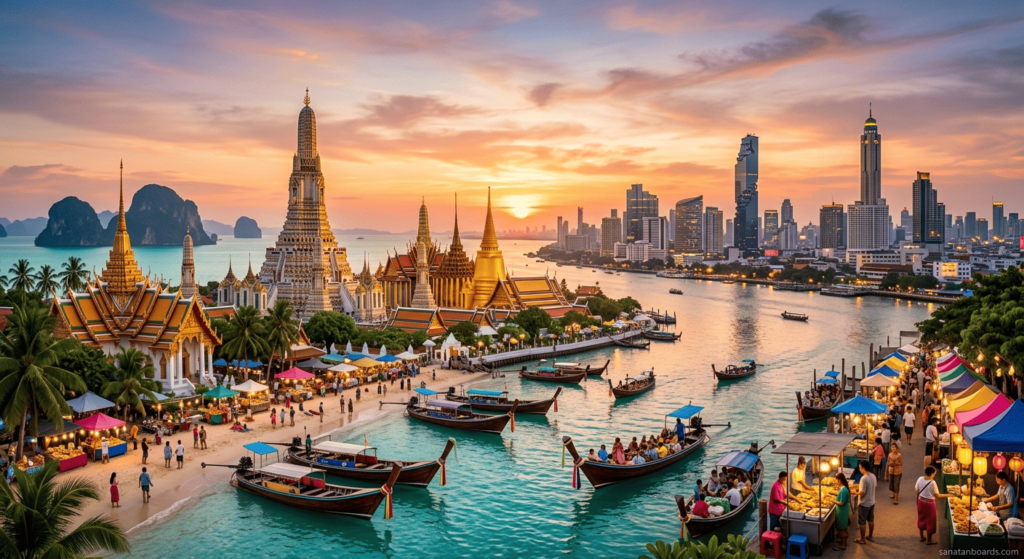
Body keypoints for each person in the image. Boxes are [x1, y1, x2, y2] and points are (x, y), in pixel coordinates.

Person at [915, 466, 952, 544]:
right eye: (934, 473)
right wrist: (949, 495)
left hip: (921, 502)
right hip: (929, 504)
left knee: (921, 518)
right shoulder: (932, 482)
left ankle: (921, 537)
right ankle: (929, 540)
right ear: (931, 474)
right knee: (930, 521)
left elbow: (917, 490)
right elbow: (937, 495)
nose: (935, 474)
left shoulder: (920, 479)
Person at [853, 460, 876, 545]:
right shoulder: (873, 476)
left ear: (863, 468)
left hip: (864, 503)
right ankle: (870, 536)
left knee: (862, 522)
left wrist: (856, 492)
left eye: (860, 468)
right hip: (872, 501)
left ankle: (862, 539)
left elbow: (862, 492)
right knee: (871, 520)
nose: (859, 469)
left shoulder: (864, 478)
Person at [833, 472, 851, 551]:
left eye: (836, 480)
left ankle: (843, 545)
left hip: (842, 511)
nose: (835, 481)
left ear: (840, 480)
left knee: (842, 528)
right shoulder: (843, 488)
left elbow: (842, 502)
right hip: (841, 510)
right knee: (841, 527)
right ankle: (842, 541)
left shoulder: (843, 490)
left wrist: (833, 501)